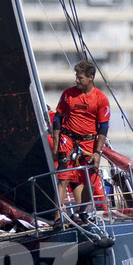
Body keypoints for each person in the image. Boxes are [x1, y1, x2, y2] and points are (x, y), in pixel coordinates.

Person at [50, 59, 111, 208]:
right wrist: (56, 144)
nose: (77, 80)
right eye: (76, 76)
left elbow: (103, 127)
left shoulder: (100, 99)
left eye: (80, 77)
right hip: (68, 140)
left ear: (91, 78)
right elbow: (57, 118)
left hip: (88, 143)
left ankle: (82, 212)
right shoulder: (68, 94)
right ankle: (58, 216)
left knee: (89, 181)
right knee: (63, 178)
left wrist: (97, 152)